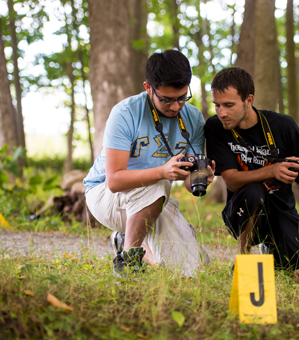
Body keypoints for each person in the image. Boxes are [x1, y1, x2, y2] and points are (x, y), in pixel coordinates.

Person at [83, 50, 214, 277]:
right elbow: (114, 181)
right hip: (104, 195)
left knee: (193, 269)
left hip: (153, 201)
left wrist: (198, 178)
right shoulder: (125, 113)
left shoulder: (193, 118)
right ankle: (129, 258)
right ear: (148, 88)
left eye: (182, 97)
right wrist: (162, 172)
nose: (175, 107)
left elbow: (185, 183)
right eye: (166, 99)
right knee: (158, 183)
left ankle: (130, 241)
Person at [204, 67, 299, 279]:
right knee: (254, 191)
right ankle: (244, 258)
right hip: (242, 211)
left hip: (282, 212)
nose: (221, 113)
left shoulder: (283, 125)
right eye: (217, 105)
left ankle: (273, 255)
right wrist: (272, 170)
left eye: (229, 105)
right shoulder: (216, 127)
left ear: (248, 100)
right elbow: (232, 181)